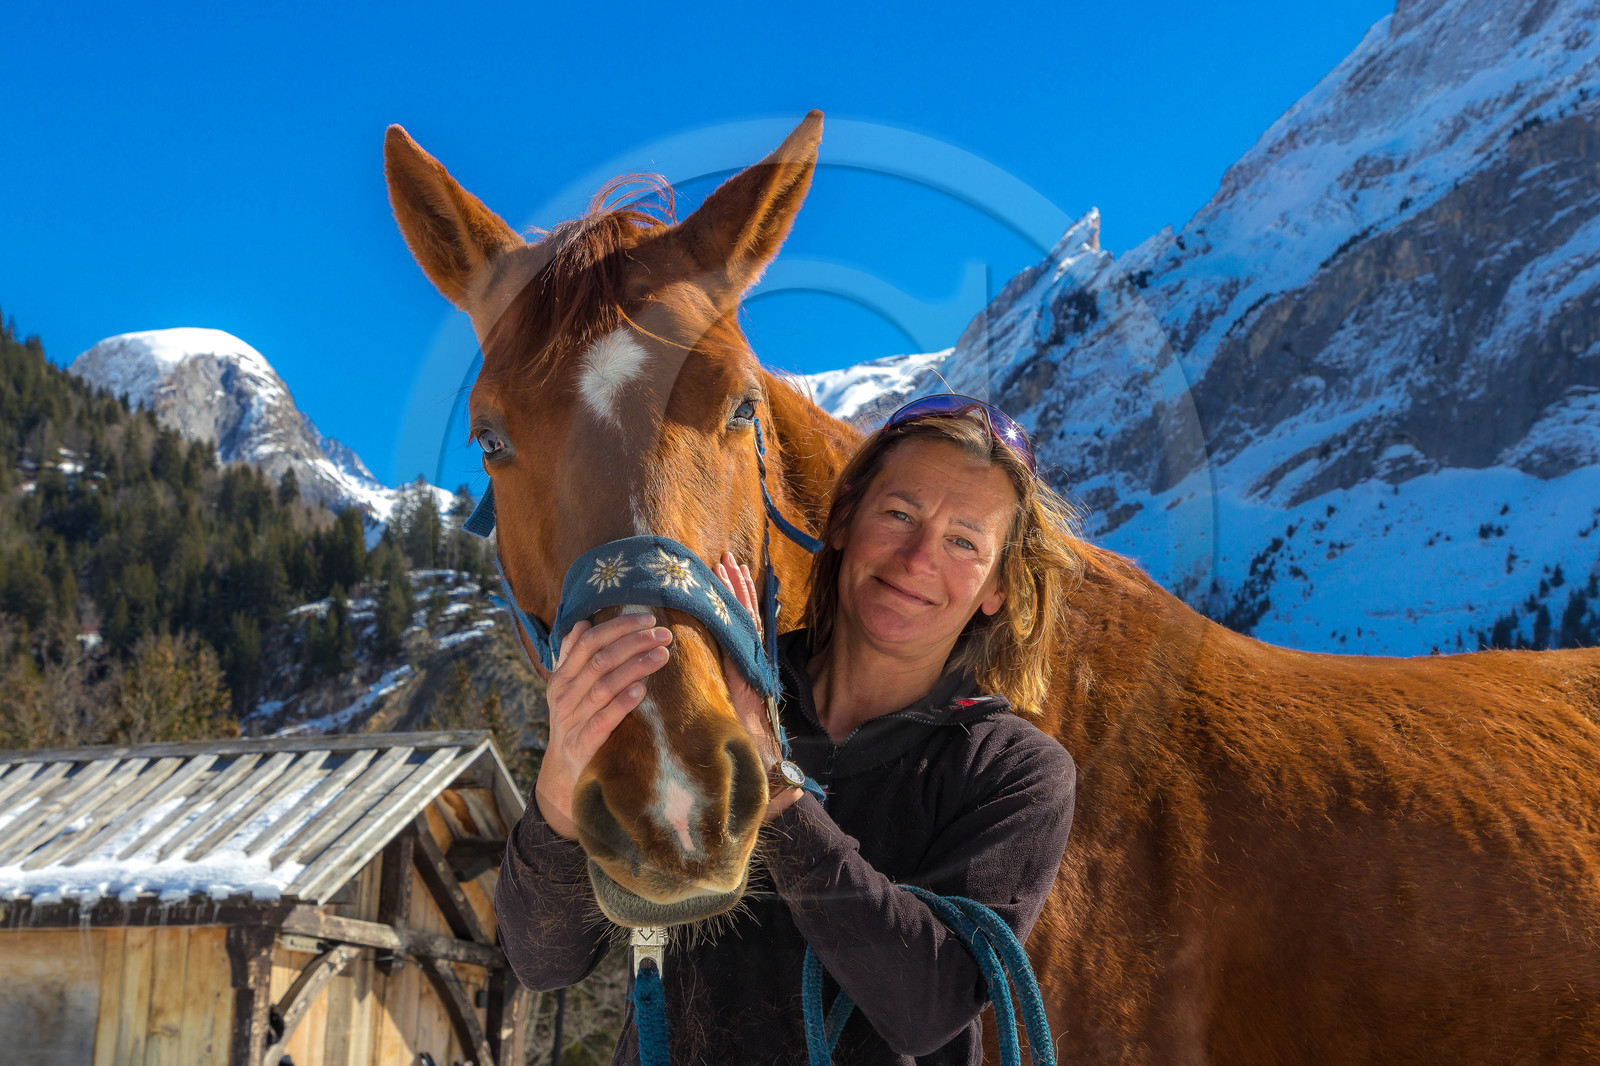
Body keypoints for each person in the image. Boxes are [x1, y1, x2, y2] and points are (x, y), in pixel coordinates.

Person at [496, 395, 1082, 1065]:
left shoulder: (1013, 771)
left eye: (964, 542)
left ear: (998, 587)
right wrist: (561, 784)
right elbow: (544, 962)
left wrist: (772, 780)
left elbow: (929, 1007)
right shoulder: (704, 690)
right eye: (899, 514)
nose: (920, 557)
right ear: (843, 523)